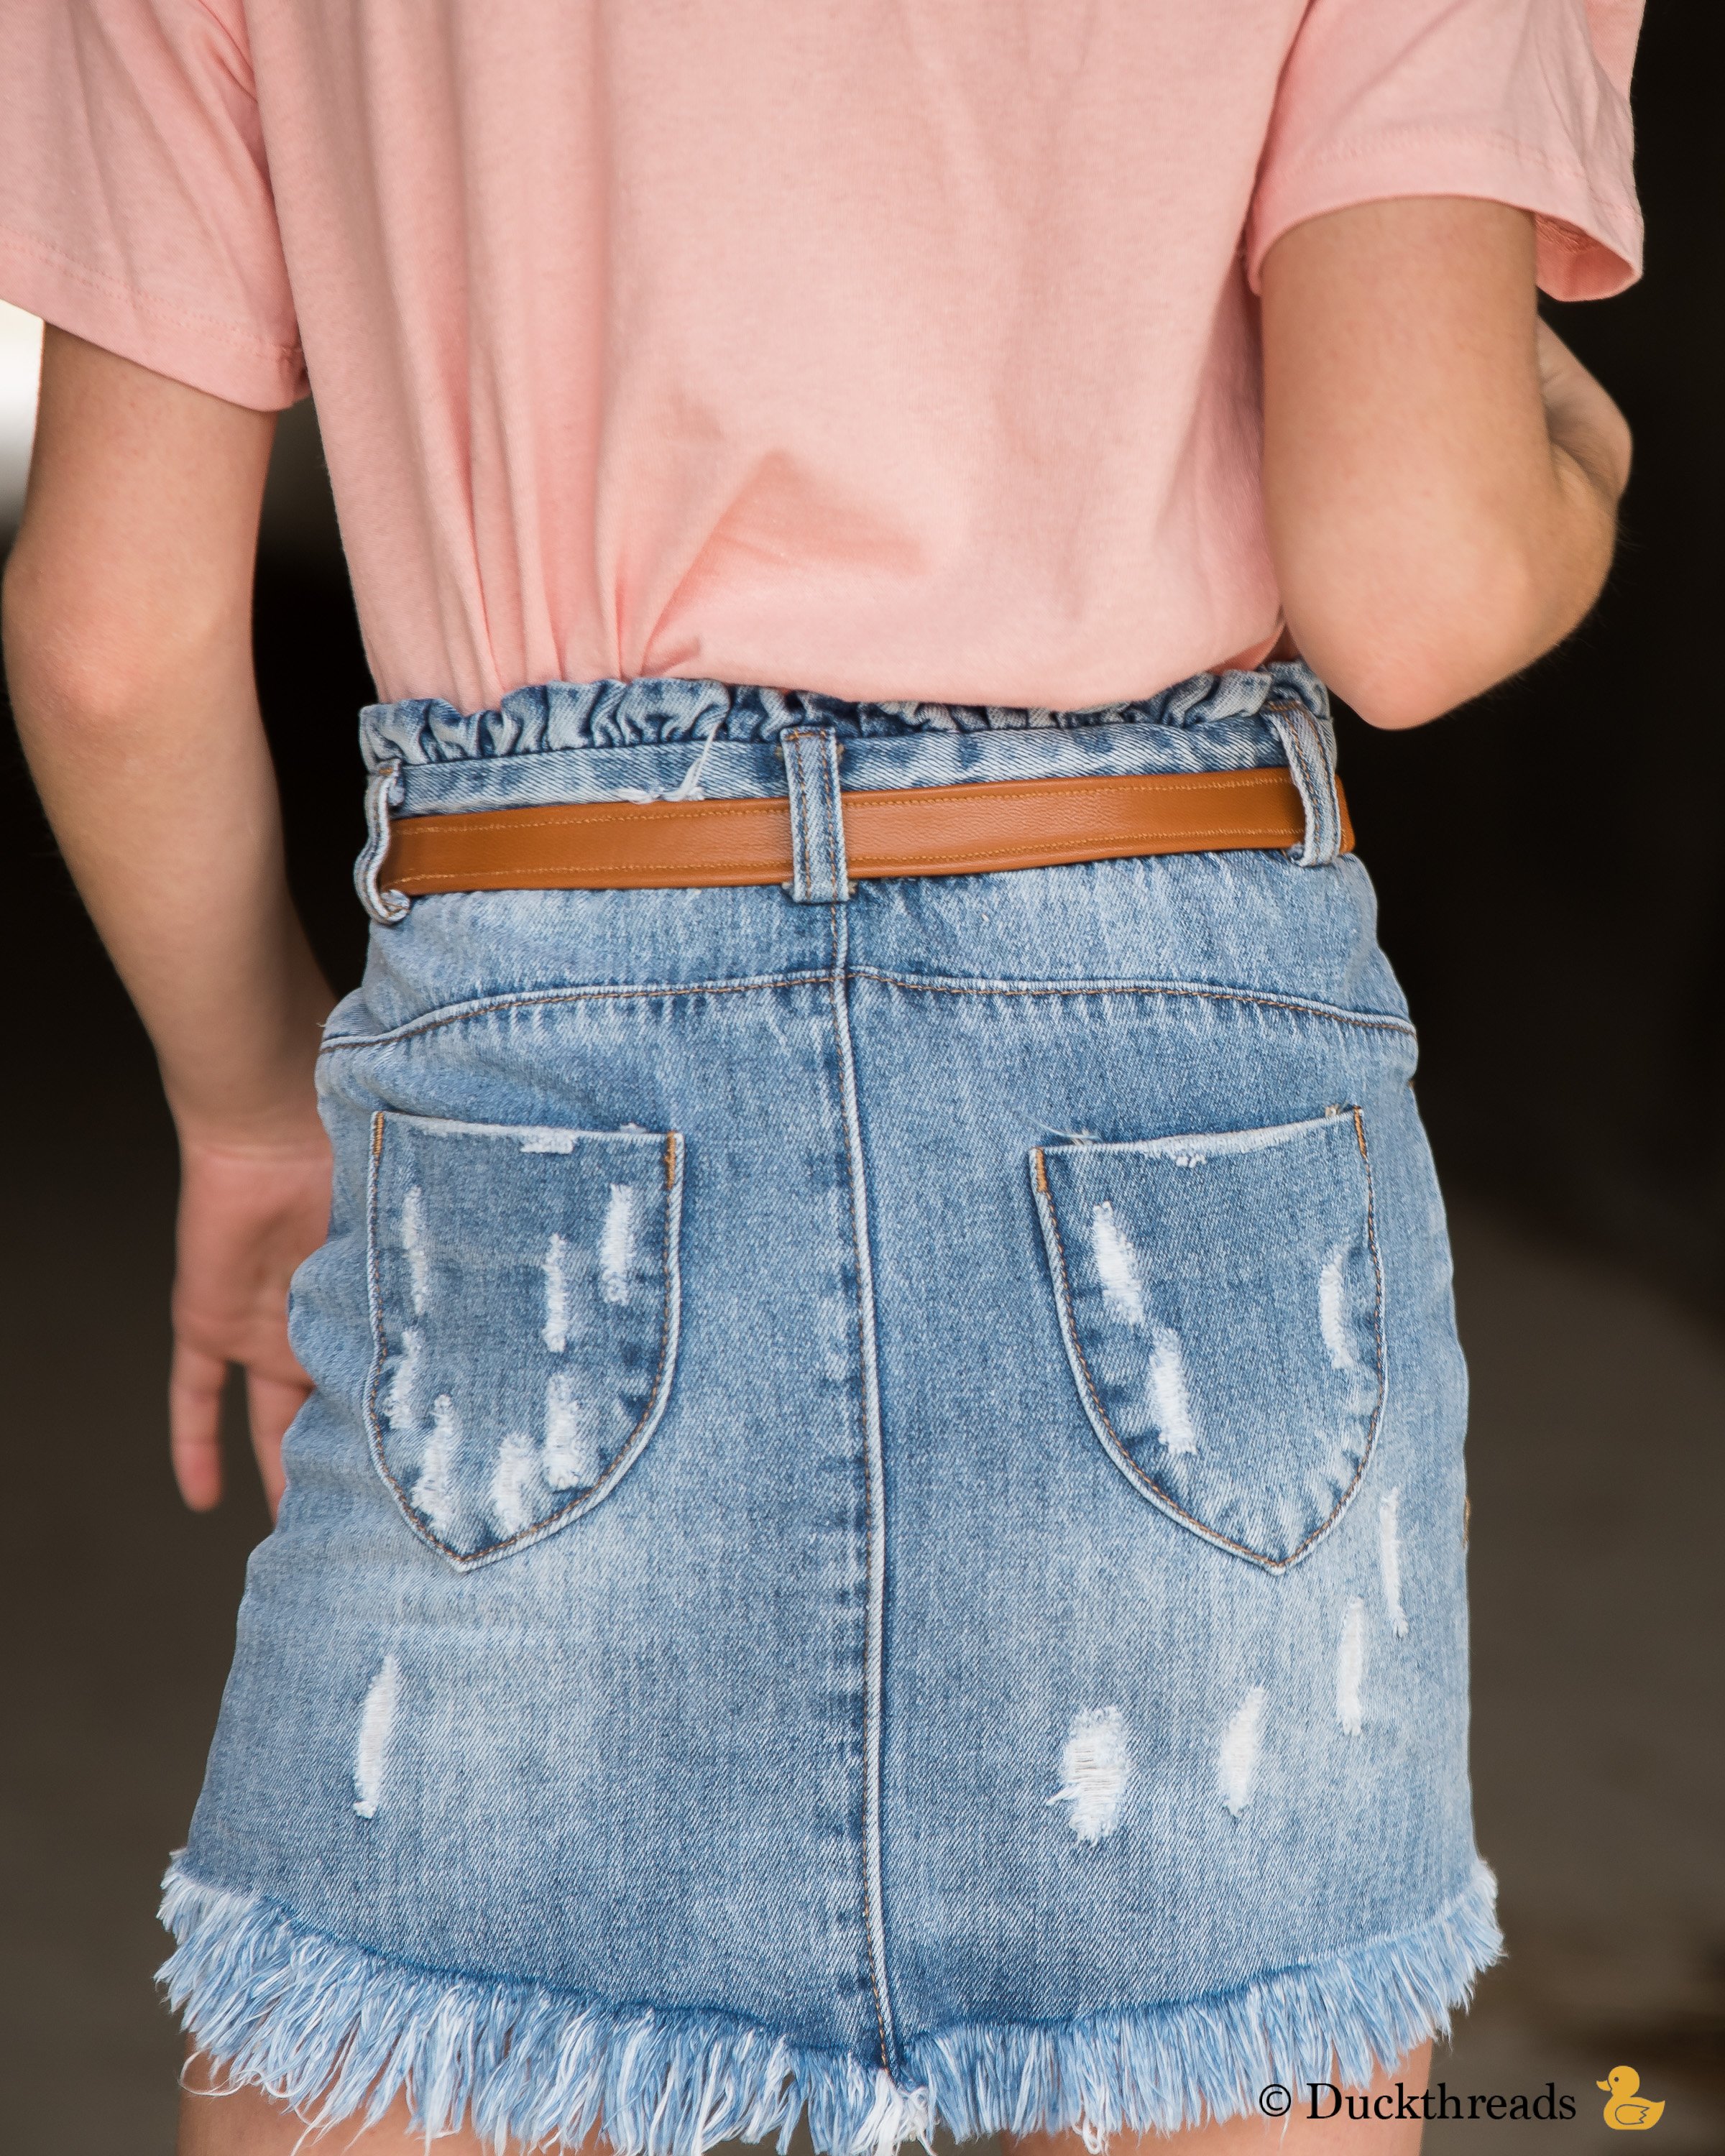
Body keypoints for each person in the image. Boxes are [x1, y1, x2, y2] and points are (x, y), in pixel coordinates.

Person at [0, 2, 1639, 2151]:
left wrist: (242, 1109)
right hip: (1171, 1056)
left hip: (545, 1035)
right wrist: (1577, 463)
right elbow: (1418, 579)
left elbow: (108, 636)